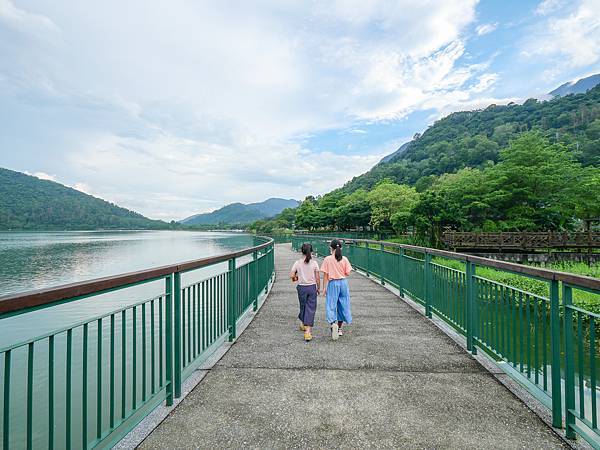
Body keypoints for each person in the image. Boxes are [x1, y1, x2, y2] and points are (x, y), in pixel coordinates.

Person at [321, 239, 352, 341]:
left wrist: (324, 288)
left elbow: (325, 275)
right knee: (343, 305)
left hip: (333, 283)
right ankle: (339, 328)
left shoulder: (327, 259)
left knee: (331, 304)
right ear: (340, 248)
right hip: (343, 283)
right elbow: (348, 273)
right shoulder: (345, 259)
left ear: (331, 248)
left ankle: (333, 323)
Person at [290, 243, 320, 341]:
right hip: (311, 287)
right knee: (310, 308)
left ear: (301, 251)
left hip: (301, 287)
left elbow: (291, 275)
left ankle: (303, 323)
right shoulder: (314, 263)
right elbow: (317, 278)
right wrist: (318, 288)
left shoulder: (297, 263)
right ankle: (307, 332)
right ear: (311, 252)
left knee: (303, 306)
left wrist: (296, 278)